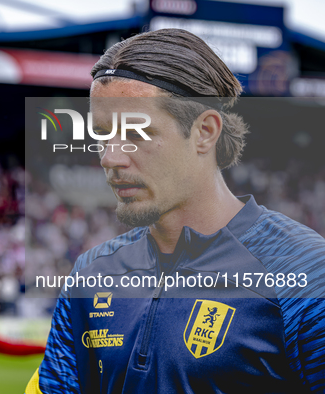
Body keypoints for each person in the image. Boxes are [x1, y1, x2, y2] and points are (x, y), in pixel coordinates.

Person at [26, 29, 325, 393]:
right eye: (103, 134)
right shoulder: (91, 272)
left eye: (135, 133)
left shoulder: (305, 271)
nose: (109, 158)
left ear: (204, 132)